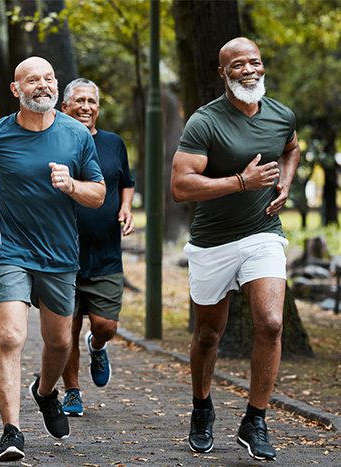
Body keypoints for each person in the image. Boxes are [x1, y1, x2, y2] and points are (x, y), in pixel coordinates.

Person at [0, 57, 106, 462]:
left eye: (48, 79)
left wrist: (72, 185)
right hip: (12, 250)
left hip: (60, 254)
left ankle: (44, 392)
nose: (42, 85)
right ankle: (12, 431)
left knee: (60, 342)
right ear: (16, 89)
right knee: (10, 336)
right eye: (32, 80)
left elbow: (98, 193)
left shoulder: (76, 135)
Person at [171, 37, 300, 461]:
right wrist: (241, 183)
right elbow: (181, 186)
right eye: (238, 64)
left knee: (271, 323)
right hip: (212, 241)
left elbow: (291, 147)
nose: (249, 70)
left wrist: (285, 182)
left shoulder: (281, 114)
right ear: (223, 72)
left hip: (263, 232)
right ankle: (201, 407)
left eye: (255, 62)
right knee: (209, 334)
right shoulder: (205, 122)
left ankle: (255, 420)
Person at [59, 78, 135, 417]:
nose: (86, 106)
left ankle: (98, 345)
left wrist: (126, 207)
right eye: (79, 100)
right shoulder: (55, 143)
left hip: (105, 253)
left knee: (105, 325)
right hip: (62, 255)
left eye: (92, 101)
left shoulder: (114, 143)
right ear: (65, 107)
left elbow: (127, 182)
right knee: (66, 329)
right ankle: (72, 391)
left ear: (98, 108)